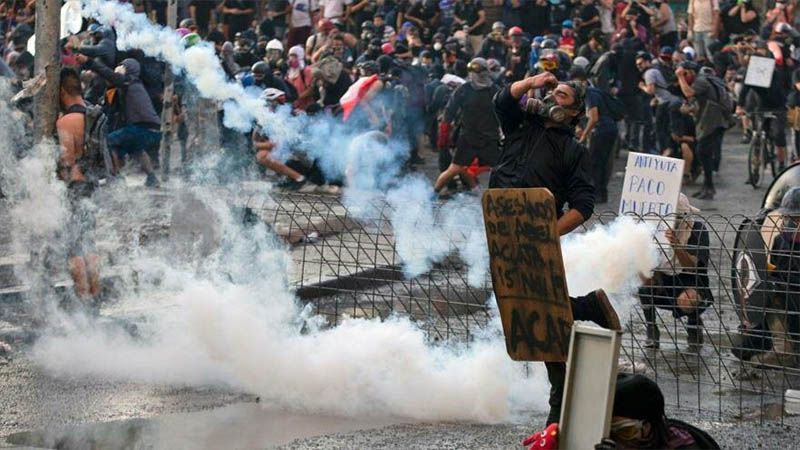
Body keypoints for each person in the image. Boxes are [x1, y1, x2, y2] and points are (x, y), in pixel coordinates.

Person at [491, 71, 622, 425]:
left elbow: (584, 204)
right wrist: (534, 80)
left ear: (576, 112)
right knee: (512, 301)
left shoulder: (573, 150)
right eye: (552, 94)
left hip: (536, 237)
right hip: (501, 228)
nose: (552, 100)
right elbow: (502, 99)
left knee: (545, 319)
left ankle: (557, 409)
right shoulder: (521, 125)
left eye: (561, 96)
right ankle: (586, 306)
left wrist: (546, 233)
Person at [639, 194, 713, 353]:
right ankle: (651, 329)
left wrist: (676, 245)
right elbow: (646, 274)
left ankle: (694, 323)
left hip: (691, 281)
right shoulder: (651, 228)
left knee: (690, 300)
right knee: (643, 287)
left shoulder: (696, 230)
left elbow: (691, 266)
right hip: (662, 280)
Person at [78, 55, 162, 187]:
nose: (117, 68)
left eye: (122, 66)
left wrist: (88, 62)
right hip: (153, 128)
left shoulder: (128, 82)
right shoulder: (130, 87)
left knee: (108, 141)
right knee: (136, 149)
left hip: (142, 128)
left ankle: (116, 177)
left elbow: (107, 74)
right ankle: (152, 177)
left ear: (129, 69)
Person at [56, 67, 101, 302]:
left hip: (74, 186)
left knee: (74, 249)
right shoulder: (93, 114)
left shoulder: (66, 122)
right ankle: (95, 297)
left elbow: (66, 160)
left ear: (62, 92)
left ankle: (82, 300)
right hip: (92, 185)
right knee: (89, 244)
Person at [433, 58, 499, 195]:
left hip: (489, 138)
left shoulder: (494, 90)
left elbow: (505, 107)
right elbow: (449, 112)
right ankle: (432, 195)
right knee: (455, 169)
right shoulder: (464, 90)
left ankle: (494, 199)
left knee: (499, 170)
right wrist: (444, 133)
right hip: (469, 138)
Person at [675, 60, 727, 200]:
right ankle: (707, 186)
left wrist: (680, 77)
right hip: (710, 121)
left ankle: (709, 187)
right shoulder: (701, 81)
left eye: (685, 74)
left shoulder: (700, 81)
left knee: (702, 152)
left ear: (691, 72)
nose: (684, 77)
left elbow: (688, 93)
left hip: (712, 121)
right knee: (704, 153)